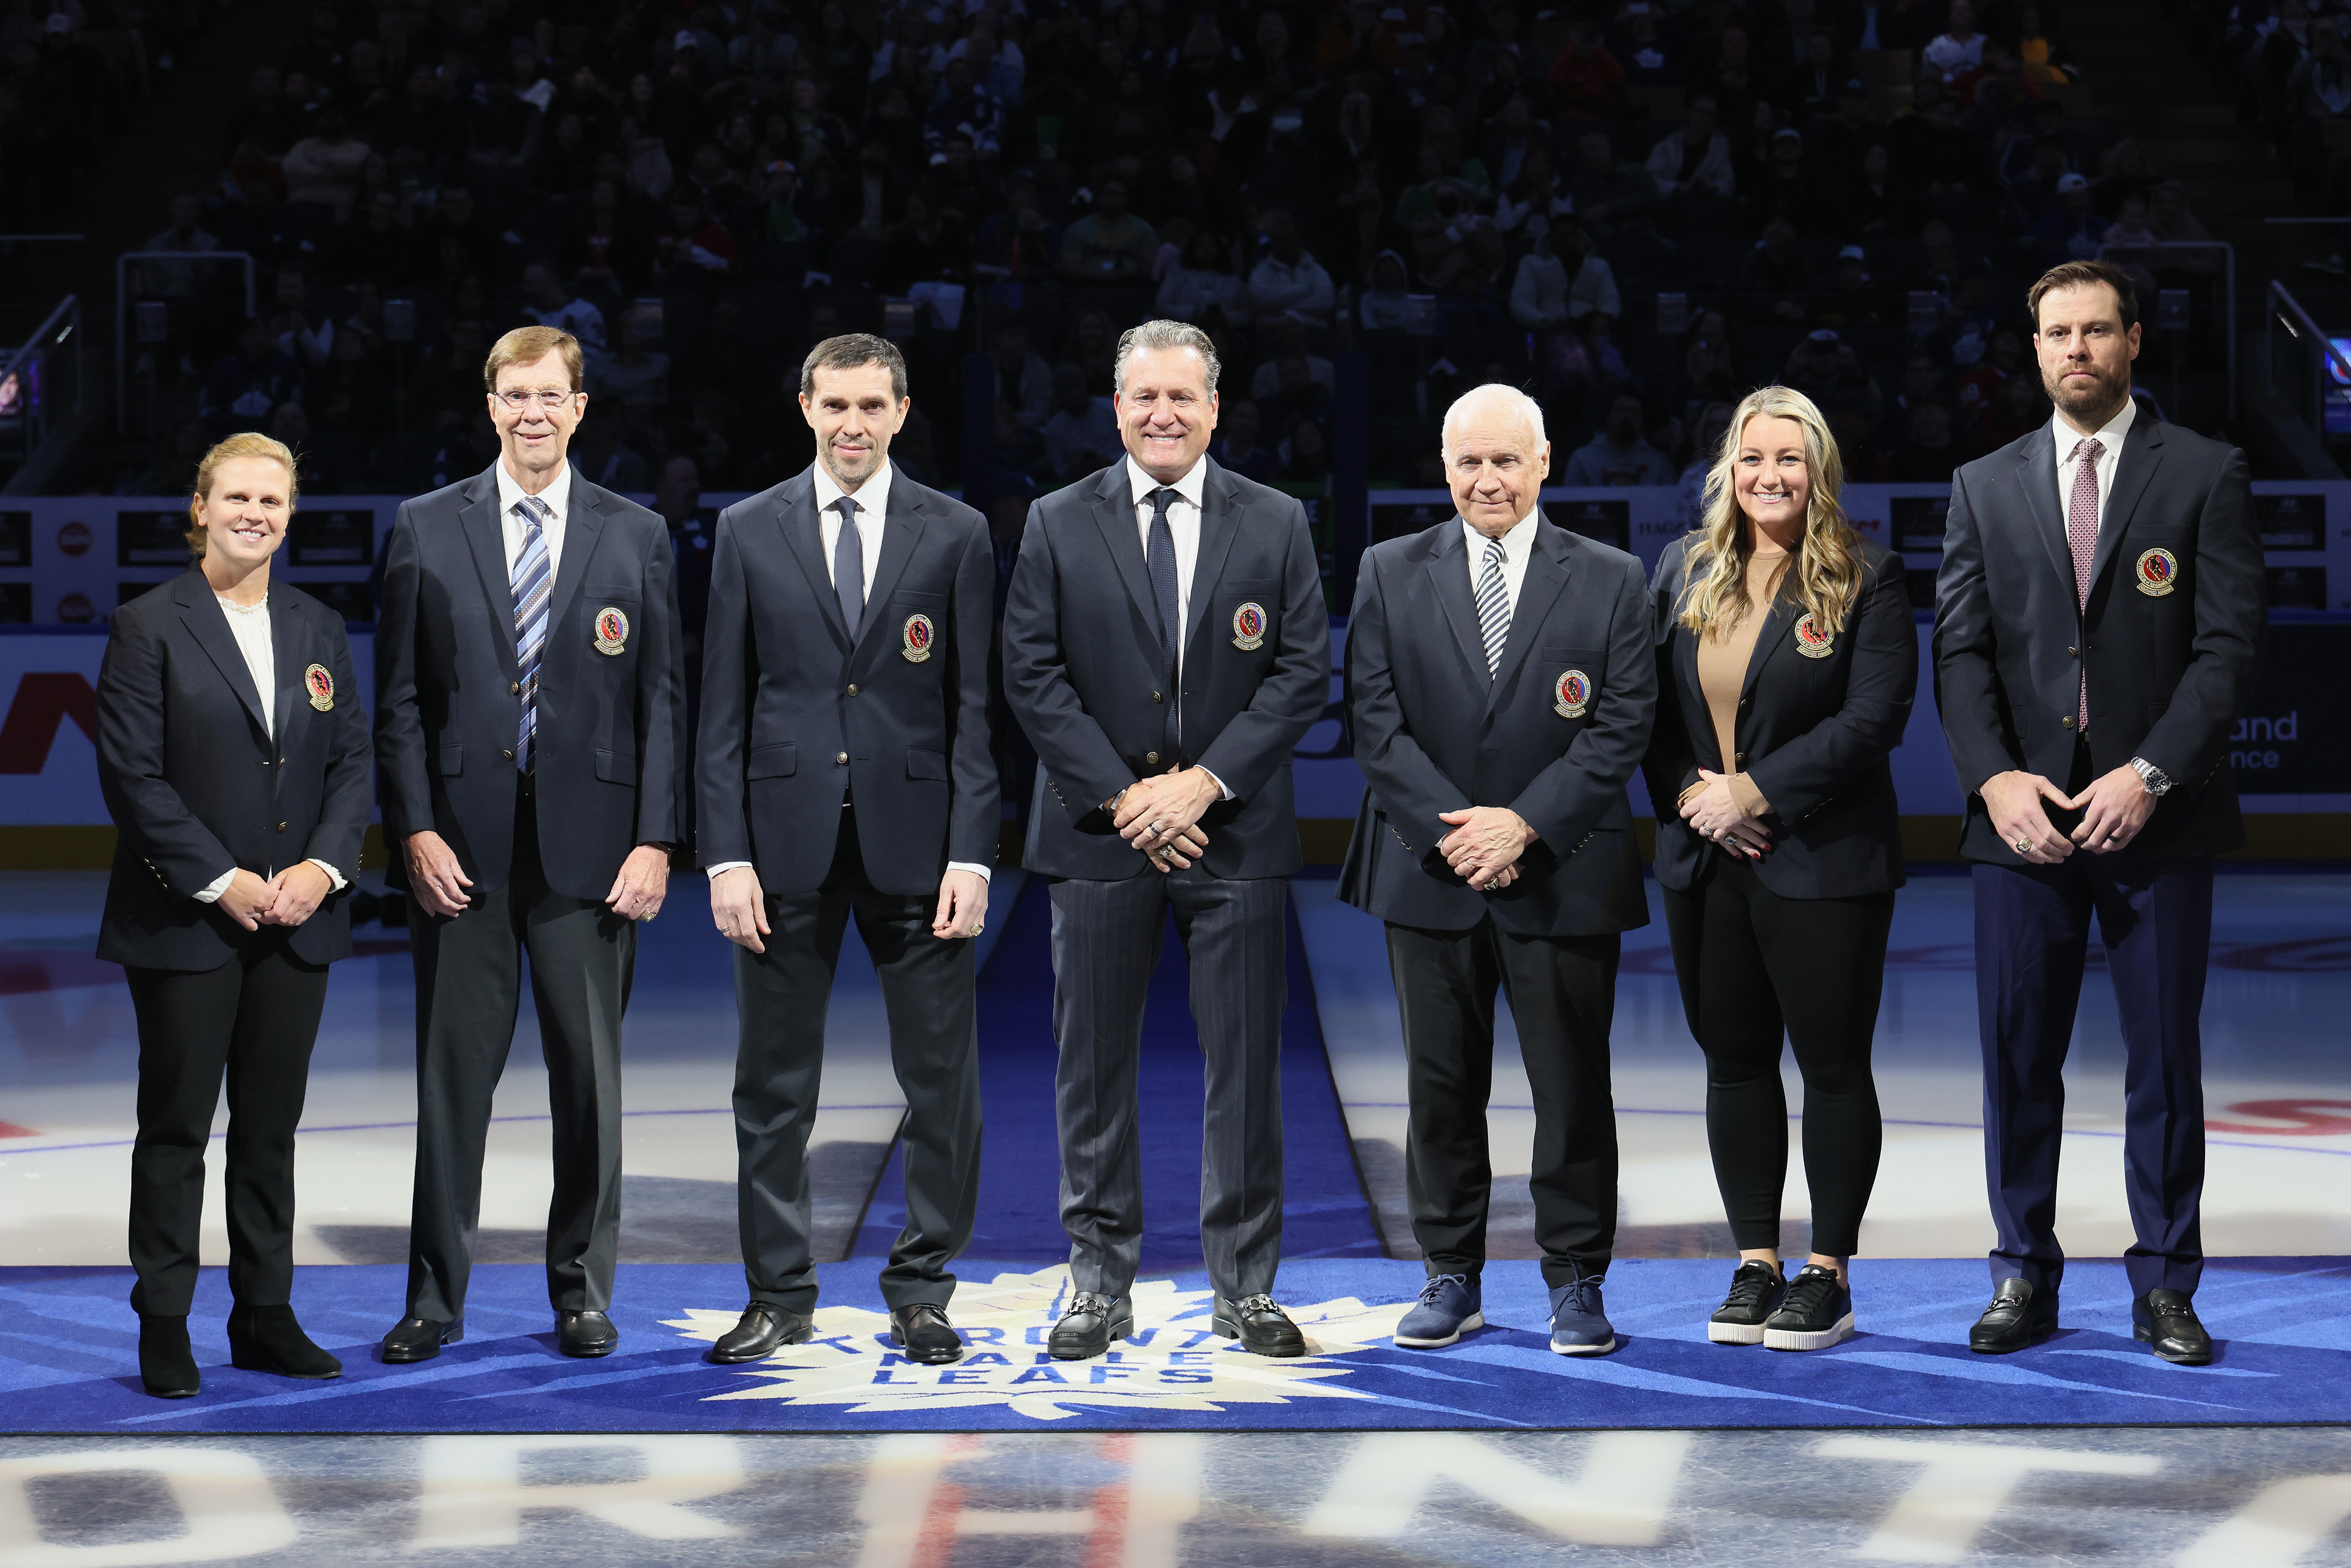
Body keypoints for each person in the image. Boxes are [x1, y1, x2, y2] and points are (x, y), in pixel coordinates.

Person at [1934, 260, 2264, 1365]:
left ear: (2131, 342)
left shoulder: (2205, 473)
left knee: (2161, 1059)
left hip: (2155, 820)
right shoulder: (1981, 483)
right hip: (2018, 823)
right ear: (2032, 351)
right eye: (2054, 333)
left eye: (2093, 331)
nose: (2073, 349)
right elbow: (1960, 652)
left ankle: (2164, 1283)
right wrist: (1992, 778)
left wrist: (2148, 773)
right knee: (2014, 1054)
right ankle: (2020, 1274)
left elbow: (2225, 652)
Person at [1002, 320, 1328, 1362]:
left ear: (1215, 408)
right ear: (1115, 407)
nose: (1162, 414)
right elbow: (1032, 673)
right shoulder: (1056, 522)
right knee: (1091, 1071)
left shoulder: (1274, 522)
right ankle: (1098, 1286)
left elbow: (1299, 674)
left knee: (1243, 1071)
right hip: (1099, 843)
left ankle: (1244, 1289)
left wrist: (1199, 785)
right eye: (1143, 397)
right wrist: (1123, 797)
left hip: (1231, 839)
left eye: (1182, 397)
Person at [374, 325, 686, 1364]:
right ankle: (432, 1299)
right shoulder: (424, 525)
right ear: (491, 403)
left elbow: (662, 707)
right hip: (458, 854)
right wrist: (413, 826)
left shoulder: (636, 534)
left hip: (593, 857)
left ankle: (583, 1292)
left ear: (581, 406)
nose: (532, 413)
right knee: (449, 1083)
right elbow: (402, 702)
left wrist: (655, 839)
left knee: (588, 1084)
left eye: (549, 395)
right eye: (514, 395)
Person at [697, 335, 996, 1366]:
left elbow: (972, 710)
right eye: (835, 405)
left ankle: (922, 1290)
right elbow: (721, 709)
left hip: (919, 850)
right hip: (779, 849)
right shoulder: (745, 529)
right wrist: (723, 856)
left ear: (903, 411)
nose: (853, 424)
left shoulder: (955, 534)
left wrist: (974, 852)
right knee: (772, 1089)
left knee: (943, 1085)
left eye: (872, 405)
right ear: (805, 406)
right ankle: (778, 1295)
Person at [1339, 383, 1655, 1356]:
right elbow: (1373, 720)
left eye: (1506, 460)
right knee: (1439, 1087)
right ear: (1444, 470)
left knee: (1571, 1089)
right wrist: (1457, 834)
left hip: (1562, 867)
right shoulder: (1388, 570)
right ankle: (1450, 1274)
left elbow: (1621, 725)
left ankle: (1575, 1280)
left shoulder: (1609, 576)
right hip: (1427, 873)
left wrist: (1522, 823)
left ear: (1544, 463)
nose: (1487, 480)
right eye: (1470, 462)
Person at [95, 433, 371, 1398]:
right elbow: (133, 778)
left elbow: (350, 764)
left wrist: (325, 868)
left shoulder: (317, 627)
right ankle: (164, 1320)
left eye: (274, 501)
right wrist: (225, 880)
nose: (257, 514)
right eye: (239, 498)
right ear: (201, 510)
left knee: (269, 1129)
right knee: (175, 1127)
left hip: (297, 919)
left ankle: (263, 1313)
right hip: (190, 922)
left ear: (291, 515)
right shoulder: (148, 625)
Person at [1643, 385, 1916, 1353]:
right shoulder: (1683, 567)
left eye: (1789, 460)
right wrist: (1695, 799)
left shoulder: (1866, 577)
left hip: (1823, 858)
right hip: (1704, 859)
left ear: (1819, 471)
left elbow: (1872, 721)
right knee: (1735, 1064)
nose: (1770, 477)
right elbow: (1646, 717)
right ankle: (1756, 1261)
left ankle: (1827, 1274)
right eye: (1753, 458)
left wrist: (1749, 794)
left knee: (1833, 1068)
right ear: (1729, 468)